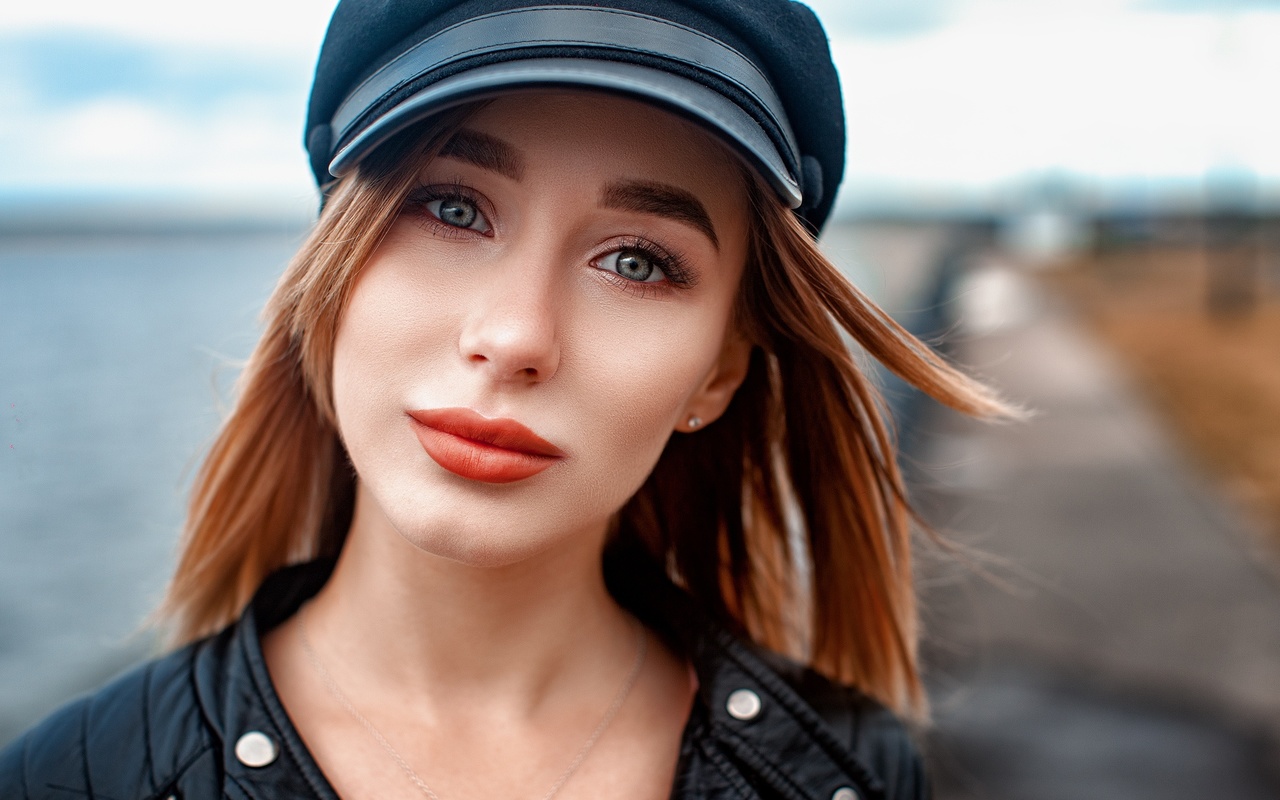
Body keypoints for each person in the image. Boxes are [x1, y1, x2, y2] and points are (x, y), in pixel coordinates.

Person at [1, 1, 1006, 797]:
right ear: (333, 274)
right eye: (450, 207)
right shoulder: (73, 777)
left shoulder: (849, 773)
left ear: (716, 372)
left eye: (636, 260)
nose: (517, 335)